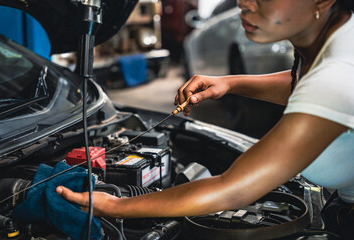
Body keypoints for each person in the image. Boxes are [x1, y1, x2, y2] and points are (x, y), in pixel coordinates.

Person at [57, 0, 354, 237]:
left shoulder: (338, 74)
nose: (245, 4)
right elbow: (302, 85)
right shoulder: (331, 39)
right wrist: (231, 83)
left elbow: (232, 189)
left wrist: (117, 206)